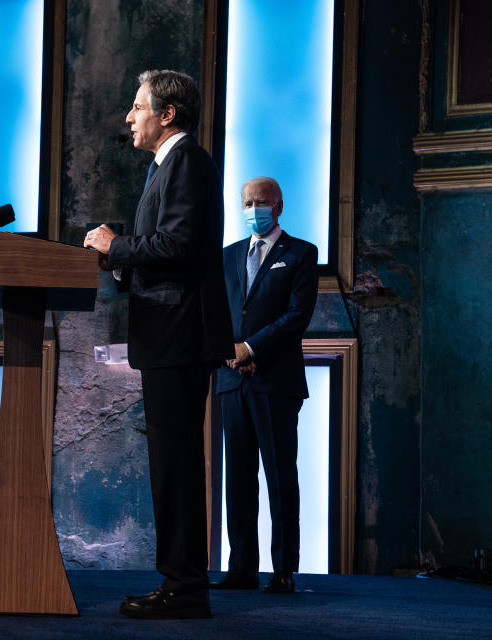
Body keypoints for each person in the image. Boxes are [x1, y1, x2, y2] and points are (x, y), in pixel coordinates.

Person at [84, 69, 233, 619]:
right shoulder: (166, 165)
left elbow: (175, 243)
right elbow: (166, 250)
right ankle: (182, 582)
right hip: (168, 333)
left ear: (166, 114)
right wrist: (118, 260)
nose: (129, 116)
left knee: (175, 466)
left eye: (137, 105)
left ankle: (185, 586)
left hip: (179, 335)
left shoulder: (187, 160)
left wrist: (115, 245)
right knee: (170, 463)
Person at [212, 177, 318, 594]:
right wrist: (229, 351)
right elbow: (217, 311)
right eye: (248, 202)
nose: (254, 208)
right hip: (231, 380)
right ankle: (240, 568)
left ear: (279, 206)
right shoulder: (228, 256)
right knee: (237, 480)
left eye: (262, 201)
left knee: (279, 477)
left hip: (276, 381)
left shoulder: (302, 254)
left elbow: (297, 316)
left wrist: (251, 349)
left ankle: (283, 571)